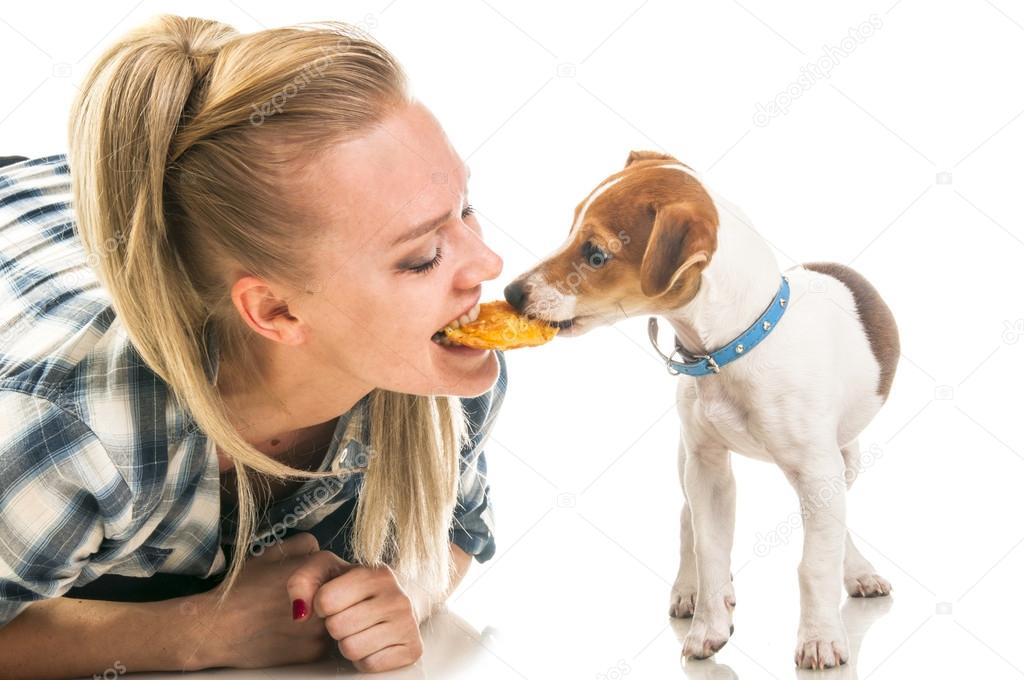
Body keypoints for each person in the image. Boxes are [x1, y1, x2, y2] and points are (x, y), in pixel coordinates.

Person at [0, 14, 507, 677]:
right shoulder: (69, 430)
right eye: (421, 258)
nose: (490, 265)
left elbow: (456, 530)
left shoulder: (439, 367)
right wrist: (191, 634)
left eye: (464, 209)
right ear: (274, 310)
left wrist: (409, 593)